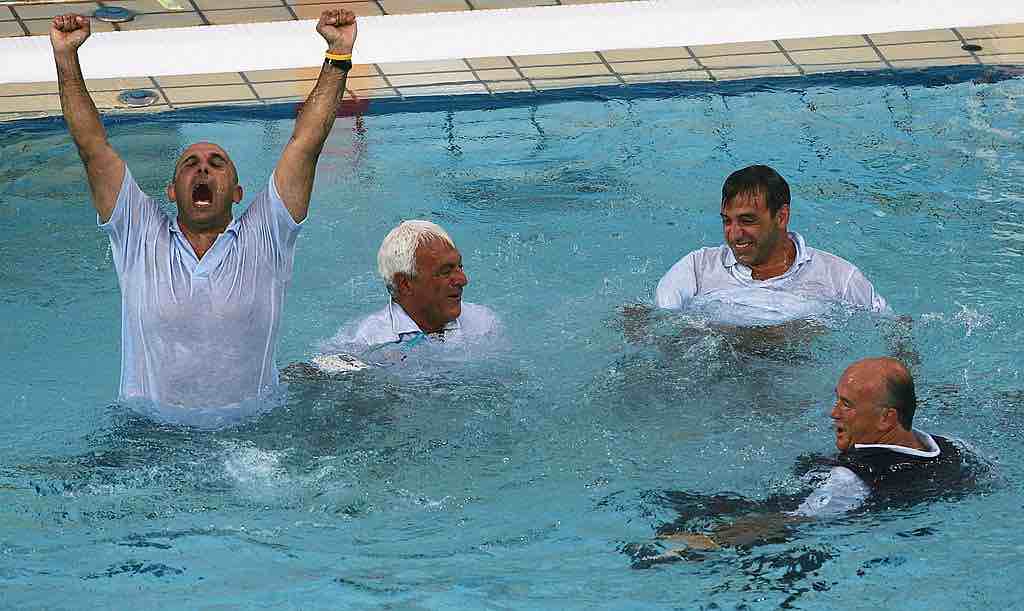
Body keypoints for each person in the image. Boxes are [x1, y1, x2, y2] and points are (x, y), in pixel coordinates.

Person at [50, 10, 358, 413]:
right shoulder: (138, 234)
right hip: (150, 434)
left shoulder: (267, 236)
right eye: (190, 163)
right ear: (172, 192)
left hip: (252, 433)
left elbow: (306, 144)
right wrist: (65, 58)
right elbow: (93, 148)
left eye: (217, 163)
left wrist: (338, 54)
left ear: (237, 193)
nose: (203, 168)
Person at [627, 357, 980, 566]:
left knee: (671, 506)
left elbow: (793, 522)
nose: (833, 413)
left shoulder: (849, 480)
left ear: (888, 418)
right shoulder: (953, 448)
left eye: (847, 405)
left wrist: (704, 545)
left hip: (811, 536)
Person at [654, 165, 889, 321]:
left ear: (781, 216)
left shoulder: (838, 277)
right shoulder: (697, 269)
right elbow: (661, 326)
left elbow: (892, 326)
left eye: (747, 220)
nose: (734, 234)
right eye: (727, 221)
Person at [314, 220, 501, 372]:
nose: (462, 279)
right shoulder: (366, 342)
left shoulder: (483, 323)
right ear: (405, 284)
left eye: (459, 267)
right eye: (445, 271)